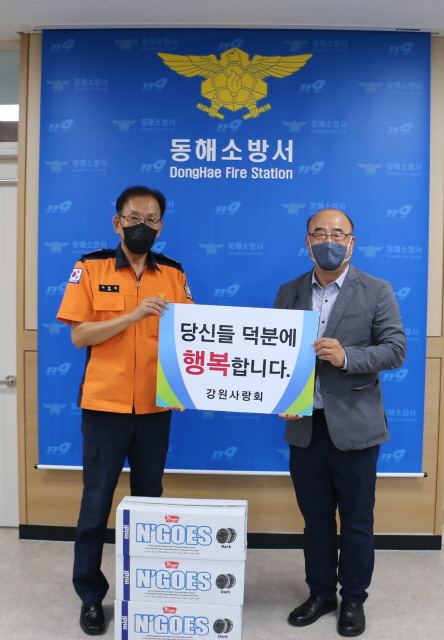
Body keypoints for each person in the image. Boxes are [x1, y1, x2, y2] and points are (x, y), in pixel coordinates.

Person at [57, 185, 194, 635]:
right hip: (105, 407)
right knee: (95, 503)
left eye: (151, 219)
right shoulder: (90, 266)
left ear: (161, 226)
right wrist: (134, 315)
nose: (142, 225)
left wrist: (192, 385)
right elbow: (80, 336)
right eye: (134, 217)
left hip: (154, 409)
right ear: (117, 222)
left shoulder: (173, 273)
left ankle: (147, 590)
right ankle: (90, 596)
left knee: (149, 502)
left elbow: (190, 335)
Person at [273, 208, 406, 637]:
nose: (328, 240)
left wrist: (347, 356)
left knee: (356, 521)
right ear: (307, 241)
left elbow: (395, 349)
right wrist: (280, 397)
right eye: (320, 233)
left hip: (356, 427)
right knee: (315, 521)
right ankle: (320, 594)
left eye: (338, 233)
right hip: (305, 427)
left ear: (352, 242)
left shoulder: (377, 289)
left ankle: (352, 599)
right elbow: (275, 356)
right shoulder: (289, 291)